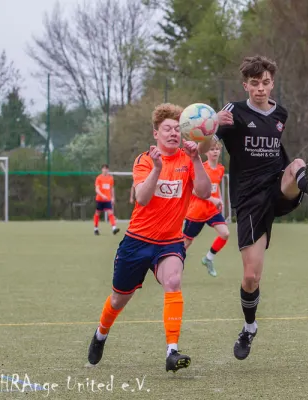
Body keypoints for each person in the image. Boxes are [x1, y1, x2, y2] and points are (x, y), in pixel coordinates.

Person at [199, 55, 308, 361]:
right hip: (249, 200)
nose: (260, 88)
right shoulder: (233, 112)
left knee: (297, 163)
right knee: (251, 277)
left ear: (272, 83)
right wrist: (212, 123)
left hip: (277, 187)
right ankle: (249, 327)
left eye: (266, 83)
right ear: (245, 85)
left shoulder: (281, 113)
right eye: (254, 83)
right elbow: (205, 149)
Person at [87, 103, 212, 373]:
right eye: (167, 128)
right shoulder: (145, 160)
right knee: (119, 299)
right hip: (137, 241)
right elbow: (142, 198)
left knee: (173, 280)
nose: (173, 133)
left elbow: (203, 191)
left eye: (177, 129)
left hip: (169, 242)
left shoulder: (187, 159)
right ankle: (101, 333)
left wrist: (196, 159)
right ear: (156, 133)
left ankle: (172, 351)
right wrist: (157, 168)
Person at [183, 141, 229, 277]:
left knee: (225, 233)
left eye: (217, 149)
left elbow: (215, 186)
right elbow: (192, 189)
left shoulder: (220, 169)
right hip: (196, 211)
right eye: (212, 149)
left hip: (212, 211)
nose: (214, 152)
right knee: (186, 243)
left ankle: (208, 258)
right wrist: (212, 199)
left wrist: (219, 199)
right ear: (206, 152)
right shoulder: (201, 168)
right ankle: (170, 263)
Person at [94, 164, 120, 235]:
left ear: (108, 170)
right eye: (104, 168)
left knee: (110, 213)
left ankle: (114, 228)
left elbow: (112, 188)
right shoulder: (99, 178)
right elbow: (97, 189)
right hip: (99, 199)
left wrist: (113, 197)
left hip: (107, 199)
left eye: (106, 169)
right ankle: (96, 228)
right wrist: (102, 195)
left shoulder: (110, 178)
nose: (105, 170)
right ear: (102, 170)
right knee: (98, 213)